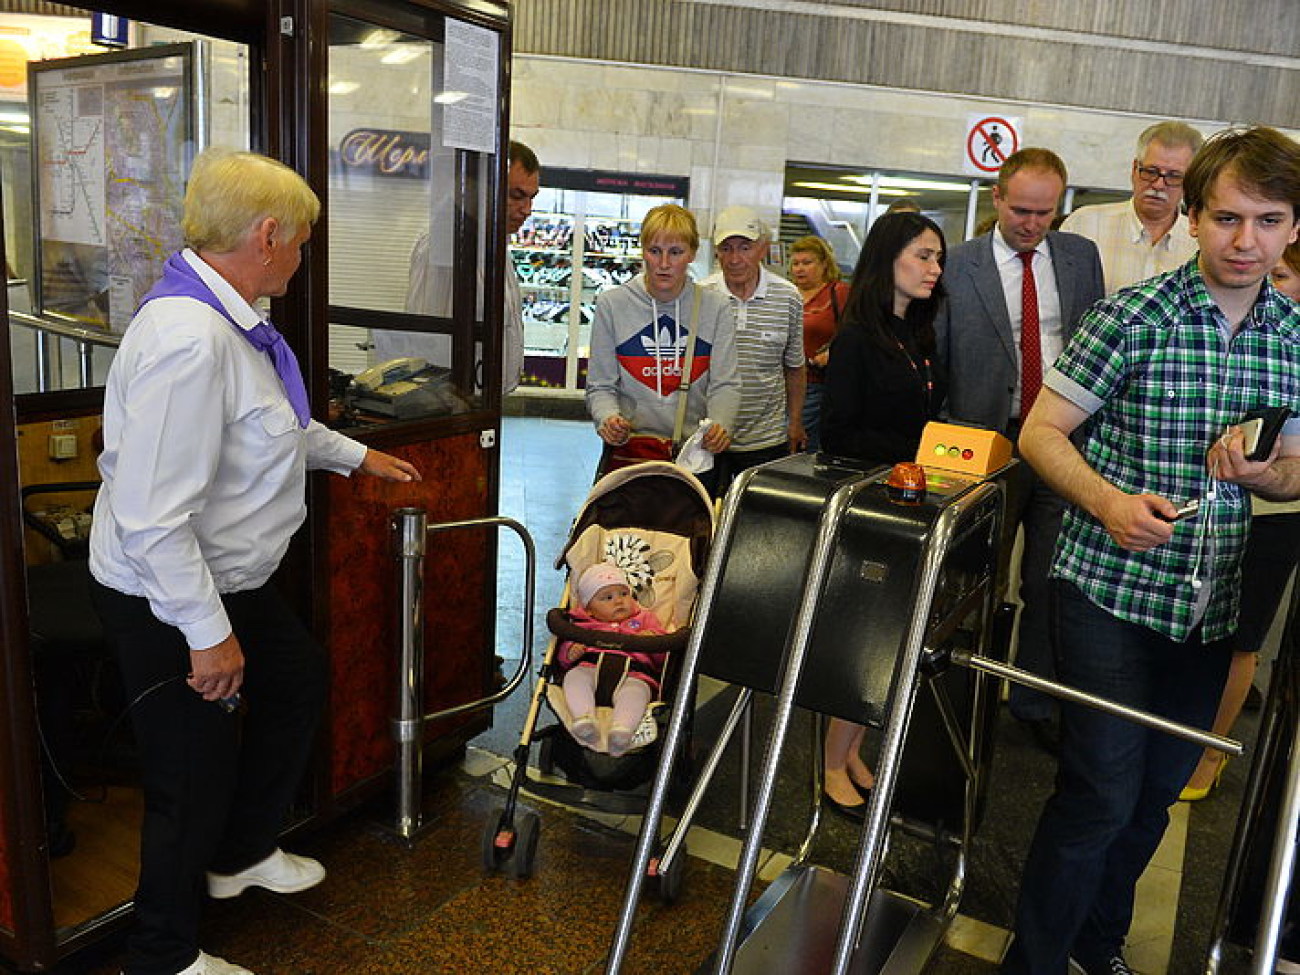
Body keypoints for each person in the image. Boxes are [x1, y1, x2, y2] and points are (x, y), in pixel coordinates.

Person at [88, 148, 421, 975]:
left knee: (298, 676)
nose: (303, 259)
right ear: (267, 235)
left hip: (230, 577)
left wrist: (355, 456)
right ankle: (161, 953)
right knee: (189, 768)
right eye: (302, 242)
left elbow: (273, 424)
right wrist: (207, 636)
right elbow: (152, 520)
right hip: (168, 592)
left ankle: (237, 857)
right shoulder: (189, 342)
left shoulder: (232, 324)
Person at [1002, 126, 1300, 975]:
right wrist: (1106, 500)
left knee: (1155, 798)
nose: (1247, 242)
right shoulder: (1132, 313)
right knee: (1098, 792)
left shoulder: (1294, 337)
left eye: (1269, 220)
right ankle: (1032, 959)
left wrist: (1263, 474)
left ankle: (1097, 944)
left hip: (1209, 603)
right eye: (1229, 219)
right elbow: (1040, 432)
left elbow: (1293, 473)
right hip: (1110, 591)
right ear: (1193, 217)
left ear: (1291, 226)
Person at [934, 147, 1105, 754]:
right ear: (998, 199)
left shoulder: (1081, 257)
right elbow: (939, 357)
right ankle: (962, 692)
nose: (1032, 223)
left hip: (1061, 443)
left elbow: (1095, 346)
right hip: (985, 444)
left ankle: (1031, 699)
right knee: (976, 577)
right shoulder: (958, 265)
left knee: (1050, 580)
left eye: (1045, 212)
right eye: (1022, 210)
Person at [818, 211, 948, 819]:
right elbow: (838, 433)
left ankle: (853, 752)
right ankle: (829, 763)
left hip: (907, 504)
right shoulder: (857, 338)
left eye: (937, 258)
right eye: (923, 255)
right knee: (862, 642)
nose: (933, 268)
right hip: (868, 507)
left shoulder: (915, 333)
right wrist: (905, 462)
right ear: (889, 258)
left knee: (889, 643)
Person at [1180, 238, 1300, 800]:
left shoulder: (1289, 341)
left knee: (1241, 636)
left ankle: (1211, 751)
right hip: (1204, 503)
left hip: (1273, 513)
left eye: (1279, 277)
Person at [585, 203, 740, 485]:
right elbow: (601, 384)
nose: (664, 264)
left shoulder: (716, 307)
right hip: (631, 453)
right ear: (642, 251)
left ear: (692, 254)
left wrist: (720, 425)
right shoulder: (612, 305)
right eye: (654, 251)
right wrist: (607, 418)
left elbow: (725, 382)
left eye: (676, 252)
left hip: (694, 456)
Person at [395, 140, 540, 393]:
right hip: (454, 404)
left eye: (531, 198)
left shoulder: (494, 243)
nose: (527, 210)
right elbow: (429, 339)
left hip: (482, 401)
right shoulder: (446, 245)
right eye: (516, 196)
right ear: (484, 187)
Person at [702, 205, 805, 493]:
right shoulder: (701, 295)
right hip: (709, 438)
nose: (735, 259)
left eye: (745, 248)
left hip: (767, 440)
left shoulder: (787, 296)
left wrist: (794, 423)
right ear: (716, 252)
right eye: (726, 248)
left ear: (762, 249)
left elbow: (794, 366)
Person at [1061, 121, 1203, 295]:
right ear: (1135, 169)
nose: (1158, 185)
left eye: (1174, 176)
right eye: (1151, 171)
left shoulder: (1201, 242)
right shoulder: (1084, 225)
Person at [558, 563, 667, 757]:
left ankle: (622, 729)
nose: (618, 601)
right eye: (607, 597)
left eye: (623, 594)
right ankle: (584, 719)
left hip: (634, 674)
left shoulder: (645, 619)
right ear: (590, 609)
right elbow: (563, 660)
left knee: (637, 693)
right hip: (590, 668)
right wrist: (571, 651)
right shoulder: (584, 625)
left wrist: (653, 640)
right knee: (574, 677)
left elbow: (662, 660)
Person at [788, 235, 849, 451]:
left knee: (800, 443)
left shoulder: (838, 293)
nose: (800, 269)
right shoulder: (787, 293)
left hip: (818, 384)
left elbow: (856, 331)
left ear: (824, 264)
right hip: (782, 384)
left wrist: (834, 352)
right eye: (796, 263)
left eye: (807, 262)